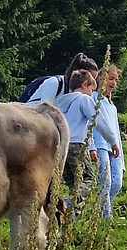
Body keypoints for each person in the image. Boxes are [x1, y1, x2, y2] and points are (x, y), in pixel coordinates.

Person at [43, 69, 119, 207]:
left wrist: (92, 147)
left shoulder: (60, 101)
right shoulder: (84, 99)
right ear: (85, 84)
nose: (91, 93)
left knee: (74, 184)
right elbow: (98, 120)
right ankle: (68, 203)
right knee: (88, 179)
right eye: (91, 89)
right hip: (77, 145)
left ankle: (69, 217)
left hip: (60, 146)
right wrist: (113, 141)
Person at [88, 64, 124, 219]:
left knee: (117, 183)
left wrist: (121, 158)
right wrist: (92, 146)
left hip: (114, 148)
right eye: (111, 78)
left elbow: (115, 130)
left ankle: (100, 211)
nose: (113, 83)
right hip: (100, 145)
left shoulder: (112, 106)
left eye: (116, 80)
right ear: (101, 78)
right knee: (105, 182)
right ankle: (105, 218)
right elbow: (89, 123)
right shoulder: (92, 99)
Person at [25, 53, 99, 105]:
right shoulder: (55, 83)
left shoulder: (74, 94)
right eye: (91, 79)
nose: (92, 83)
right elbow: (45, 110)